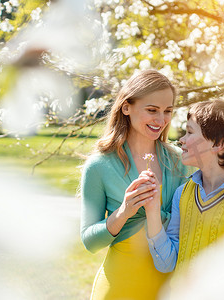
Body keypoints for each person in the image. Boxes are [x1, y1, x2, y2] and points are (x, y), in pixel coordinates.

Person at [139, 99, 224, 299]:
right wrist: (152, 210)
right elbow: (167, 263)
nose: (181, 140)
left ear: (218, 144)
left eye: (189, 132)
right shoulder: (183, 193)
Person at [80, 70, 189, 300]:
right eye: (152, 110)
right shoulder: (99, 166)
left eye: (167, 111)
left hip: (168, 289)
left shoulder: (178, 161)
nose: (161, 120)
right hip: (119, 288)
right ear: (126, 107)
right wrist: (123, 212)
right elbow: (89, 241)